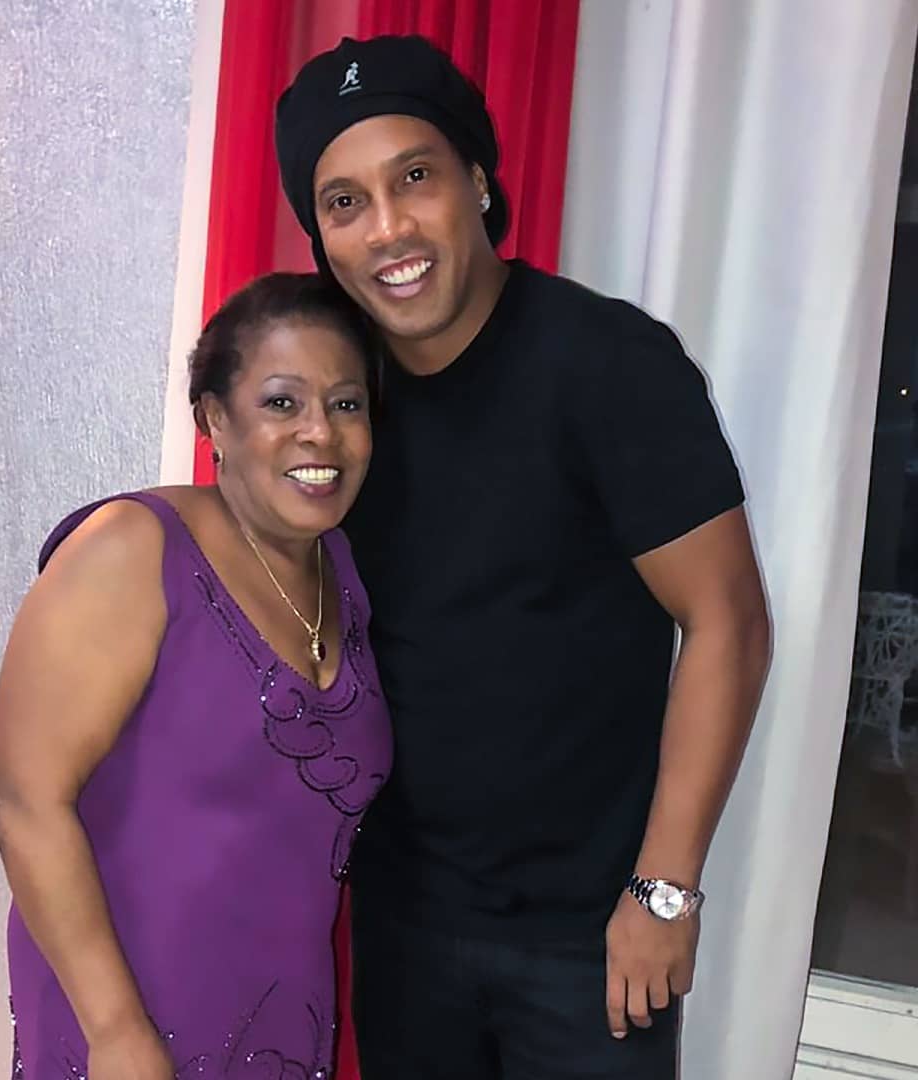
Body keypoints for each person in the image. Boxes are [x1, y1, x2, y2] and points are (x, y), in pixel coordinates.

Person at [275, 35, 771, 1080]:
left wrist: (664, 894)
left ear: (479, 182)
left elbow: (728, 620)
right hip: (404, 923)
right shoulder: (342, 403)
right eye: (345, 202)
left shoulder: (609, 364)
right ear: (322, 239)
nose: (388, 227)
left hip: (591, 940)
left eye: (415, 177)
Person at [0, 272, 392, 1080]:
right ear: (215, 420)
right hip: (124, 1025)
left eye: (346, 404)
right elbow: (21, 798)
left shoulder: (342, 574)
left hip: (282, 1025)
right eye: (282, 402)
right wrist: (115, 1034)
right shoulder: (134, 546)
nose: (320, 432)